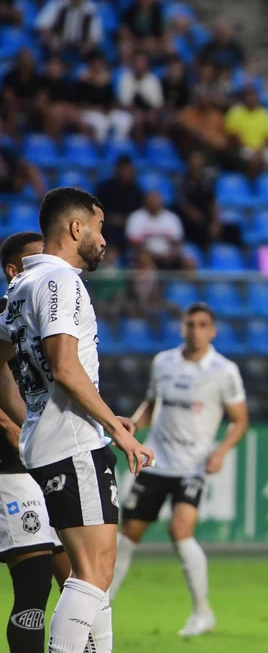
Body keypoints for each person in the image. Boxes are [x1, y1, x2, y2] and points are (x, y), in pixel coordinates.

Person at [0, 187, 154, 653]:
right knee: (91, 575)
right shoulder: (60, 282)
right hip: (72, 443)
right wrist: (111, 425)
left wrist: (32, 418)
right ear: (75, 228)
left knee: (95, 576)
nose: (104, 238)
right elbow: (64, 365)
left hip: (52, 440)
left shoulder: (20, 286)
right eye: (100, 227)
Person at [108, 303, 248, 637]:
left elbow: (240, 420)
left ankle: (202, 612)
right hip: (156, 462)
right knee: (128, 534)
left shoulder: (224, 371)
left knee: (180, 530)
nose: (195, 330)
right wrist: (134, 427)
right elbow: (153, 402)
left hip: (193, 466)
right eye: (190, 324)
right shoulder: (163, 362)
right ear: (182, 328)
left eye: (202, 325)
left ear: (212, 331)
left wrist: (221, 452)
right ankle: (102, 605)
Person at [0, 232, 72, 653]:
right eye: (35, 258)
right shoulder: (4, 317)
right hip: (11, 467)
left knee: (80, 579)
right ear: (13, 270)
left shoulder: (46, 317)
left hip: (46, 461)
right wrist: (12, 427)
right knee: (33, 584)